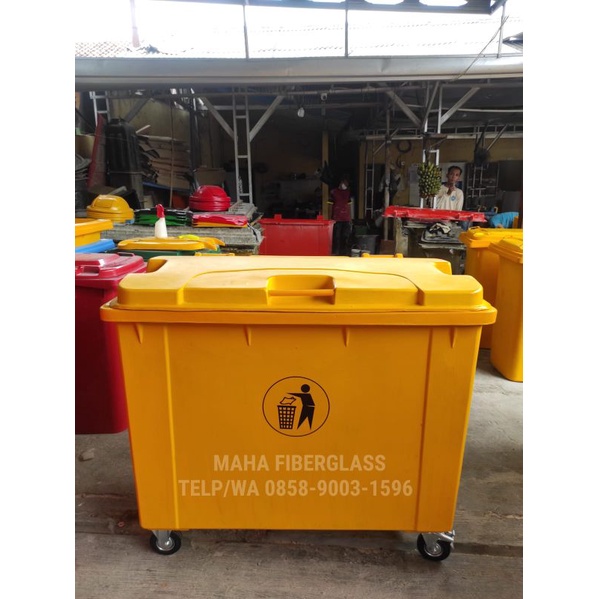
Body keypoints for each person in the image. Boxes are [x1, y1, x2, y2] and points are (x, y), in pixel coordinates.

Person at [328, 176, 353, 255]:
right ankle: (336, 252)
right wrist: (330, 218)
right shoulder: (333, 192)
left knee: (345, 237)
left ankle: (344, 253)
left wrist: (350, 218)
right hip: (336, 218)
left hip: (346, 219)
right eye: (344, 183)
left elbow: (349, 206)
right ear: (341, 182)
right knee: (336, 236)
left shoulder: (348, 193)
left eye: (347, 184)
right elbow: (330, 205)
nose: (345, 185)